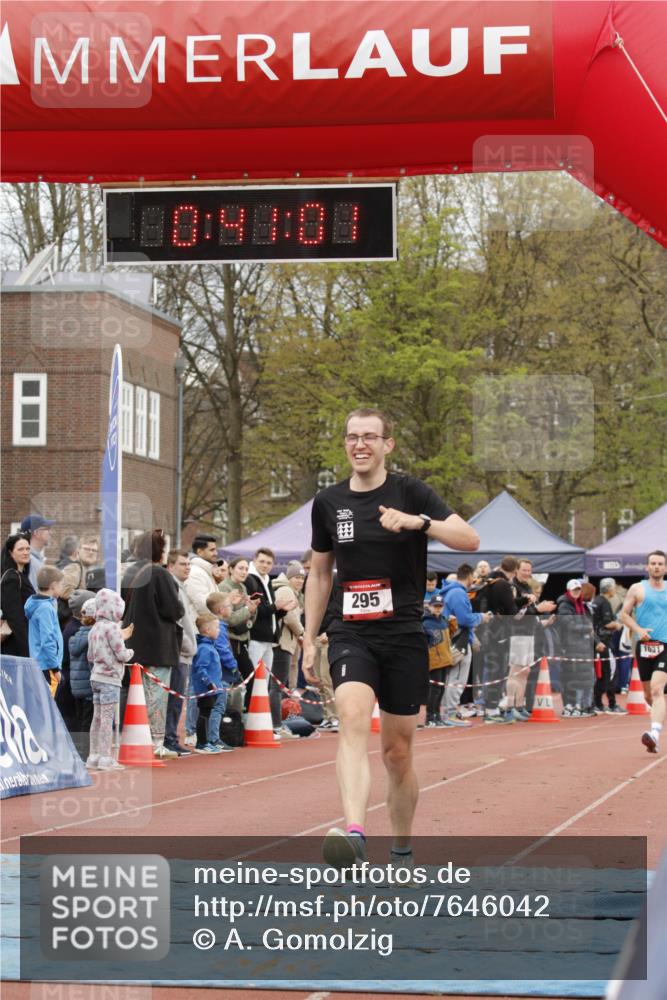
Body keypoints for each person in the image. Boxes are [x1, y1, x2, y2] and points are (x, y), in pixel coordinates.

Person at [302, 406, 479, 868]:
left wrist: (419, 522)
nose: (359, 444)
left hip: (403, 633)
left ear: (387, 445)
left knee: (397, 752)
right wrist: (308, 636)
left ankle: (401, 847)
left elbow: (469, 539)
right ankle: (356, 834)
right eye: (351, 437)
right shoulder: (328, 502)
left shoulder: (409, 491)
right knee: (352, 718)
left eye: (369, 437)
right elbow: (320, 574)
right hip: (350, 634)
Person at [122, 529, 184, 760]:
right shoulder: (159, 574)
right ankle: (155, 742)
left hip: (134, 642)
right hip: (158, 645)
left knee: (136, 695)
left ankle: (137, 739)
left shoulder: (131, 572)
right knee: (156, 697)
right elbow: (173, 609)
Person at [618, 551, 667, 754]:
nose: (656, 567)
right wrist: (638, 630)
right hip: (645, 646)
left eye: (660, 564)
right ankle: (656, 726)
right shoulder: (637, 589)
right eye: (653, 563)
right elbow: (622, 614)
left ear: (665, 568)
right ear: (647, 567)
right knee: (649, 696)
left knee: (657, 689)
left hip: (665, 645)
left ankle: (654, 733)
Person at [87, 589, 134, 770]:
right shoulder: (112, 628)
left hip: (96, 676)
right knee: (108, 718)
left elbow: (90, 656)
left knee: (97, 718)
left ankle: (94, 755)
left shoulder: (95, 628)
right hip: (110, 678)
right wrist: (130, 652)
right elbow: (121, 654)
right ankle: (106, 758)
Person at [441, 563, 492, 726]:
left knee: (455, 678)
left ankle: (450, 711)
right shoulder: (458, 593)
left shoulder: (454, 592)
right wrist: (481, 617)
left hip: (459, 639)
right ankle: (449, 713)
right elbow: (464, 619)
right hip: (458, 641)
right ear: (470, 576)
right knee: (457, 679)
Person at [164, 549, 197, 757]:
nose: (187, 567)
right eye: (183, 564)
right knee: (174, 699)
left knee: (177, 699)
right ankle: (169, 739)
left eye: (188, 564)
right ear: (171, 566)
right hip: (178, 652)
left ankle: (170, 737)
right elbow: (176, 621)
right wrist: (187, 645)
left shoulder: (182, 588)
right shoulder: (172, 588)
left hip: (184, 651)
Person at [205, 591, 241, 751]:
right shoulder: (218, 628)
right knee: (218, 706)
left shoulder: (218, 626)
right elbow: (223, 650)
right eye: (228, 606)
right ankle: (213, 738)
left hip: (218, 672)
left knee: (213, 706)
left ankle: (210, 737)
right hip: (221, 673)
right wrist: (234, 667)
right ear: (220, 610)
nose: (231, 608)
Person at [270, 572, 303, 740]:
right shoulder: (285, 590)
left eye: (302, 578)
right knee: (277, 687)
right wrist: (302, 633)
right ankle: (276, 726)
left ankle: (275, 724)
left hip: (282, 643)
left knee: (277, 687)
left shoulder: (285, 589)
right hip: (281, 644)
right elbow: (290, 617)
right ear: (289, 578)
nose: (300, 581)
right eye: (296, 577)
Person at [556, 579, 595, 717]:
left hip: (581, 647)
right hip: (568, 647)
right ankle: (569, 705)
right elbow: (568, 625)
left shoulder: (580, 605)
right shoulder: (564, 605)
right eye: (574, 590)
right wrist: (586, 629)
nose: (577, 592)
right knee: (569, 677)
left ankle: (577, 705)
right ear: (568, 590)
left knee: (580, 677)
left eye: (578, 590)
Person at [24, 565, 65, 696]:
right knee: (48, 705)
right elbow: (47, 640)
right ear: (53, 586)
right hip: (48, 666)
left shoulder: (39, 605)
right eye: (61, 585)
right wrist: (55, 668)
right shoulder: (46, 608)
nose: (62, 588)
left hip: (41, 664)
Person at [191, 613, 226, 754]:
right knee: (204, 715)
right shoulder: (204, 648)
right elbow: (200, 668)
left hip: (213, 688)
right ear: (207, 630)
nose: (219, 630)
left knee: (207, 713)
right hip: (206, 689)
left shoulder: (210, 646)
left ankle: (207, 742)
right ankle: (202, 743)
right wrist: (209, 683)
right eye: (217, 627)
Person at [68, 596, 98, 759]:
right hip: (88, 686)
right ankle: (85, 754)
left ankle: (79, 752)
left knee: (80, 720)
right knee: (89, 721)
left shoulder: (75, 636)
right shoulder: (93, 638)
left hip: (76, 687)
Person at [591, 578, 626, 714]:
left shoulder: (596, 601)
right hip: (604, 641)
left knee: (602, 673)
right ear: (610, 589)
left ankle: (598, 702)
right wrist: (618, 625)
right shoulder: (604, 603)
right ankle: (611, 704)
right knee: (611, 673)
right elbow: (606, 623)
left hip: (597, 641)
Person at [1, 532, 36, 657]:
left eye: (27, 549)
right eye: (20, 549)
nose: (25, 552)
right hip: (15, 645)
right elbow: (15, 617)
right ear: (11, 553)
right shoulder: (12, 578)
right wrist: (28, 650)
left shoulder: (21, 576)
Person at [422, 594, 452, 727]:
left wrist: (453, 624)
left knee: (440, 689)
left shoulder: (444, 620)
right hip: (434, 661)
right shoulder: (426, 622)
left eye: (440, 606)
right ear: (429, 606)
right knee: (434, 689)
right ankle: (429, 717)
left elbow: (448, 637)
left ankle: (437, 715)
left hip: (445, 659)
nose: (438, 609)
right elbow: (427, 642)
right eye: (435, 606)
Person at [185, 535, 221, 615]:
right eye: (212, 550)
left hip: (209, 625)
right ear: (200, 552)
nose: (216, 553)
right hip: (199, 626)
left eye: (216, 550)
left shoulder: (205, 571)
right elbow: (204, 606)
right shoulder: (195, 573)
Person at [20, 514, 56, 589]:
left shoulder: (34, 559)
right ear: (36, 533)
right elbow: (34, 595)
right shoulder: (30, 561)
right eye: (47, 529)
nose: (51, 533)